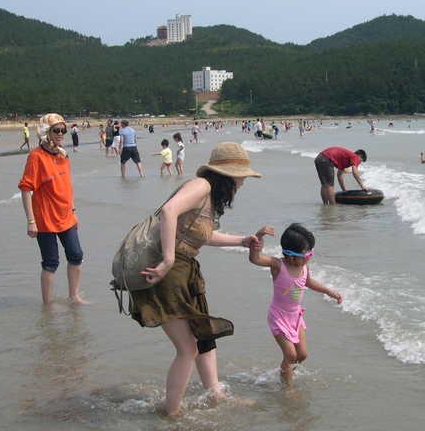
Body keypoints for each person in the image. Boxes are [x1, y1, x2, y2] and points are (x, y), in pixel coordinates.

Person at [131, 142, 262, 416]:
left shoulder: (208, 196)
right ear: (228, 174)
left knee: (203, 337)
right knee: (187, 348)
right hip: (167, 270)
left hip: (183, 269)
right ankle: (172, 412)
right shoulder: (201, 186)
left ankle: (214, 393)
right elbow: (169, 212)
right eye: (241, 175)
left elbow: (199, 235)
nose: (243, 181)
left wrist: (241, 240)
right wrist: (167, 260)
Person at [249, 223, 342, 386]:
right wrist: (259, 236)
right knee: (291, 355)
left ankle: (285, 371)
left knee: (302, 355)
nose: (310, 257)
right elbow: (255, 258)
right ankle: (287, 385)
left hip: (295, 316)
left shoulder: (304, 268)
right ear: (291, 256)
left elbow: (309, 282)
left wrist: (328, 291)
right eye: (307, 254)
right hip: (278, 317)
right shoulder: (278, 266)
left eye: (311, 253)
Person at [18, 113, 87, 306]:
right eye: (56, 130)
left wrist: (73, 209)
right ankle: (47, 305)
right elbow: (26, 189)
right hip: (45, 220)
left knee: (76, 255)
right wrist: (31, 221)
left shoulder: (63, 155)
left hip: (67, 217)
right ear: (45, 132)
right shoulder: (36, 157)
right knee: (51, 263)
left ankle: (74, 296)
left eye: (63, 130)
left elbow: (67, 185)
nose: (61, 134)